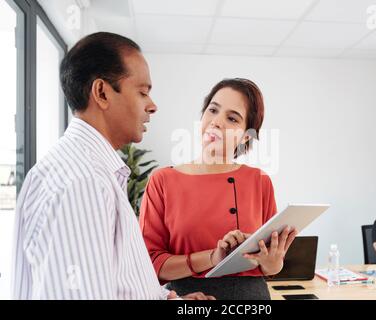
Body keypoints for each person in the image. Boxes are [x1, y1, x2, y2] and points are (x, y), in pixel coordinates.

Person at [11, 32, 213, 300]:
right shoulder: (81, 182)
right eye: (142, 92)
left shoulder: (93, 172)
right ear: (102, 92)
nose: (152, 106)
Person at [139, 78, 298, 300]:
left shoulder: (259, 181)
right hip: (187, 297)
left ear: (246, 136)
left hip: (251, 298)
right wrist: (213, 257)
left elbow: (269, 267)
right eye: (212, 110)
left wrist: (273, 263)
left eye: (232, 118)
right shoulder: (162, 181)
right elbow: (150, 265)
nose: (216, 122)